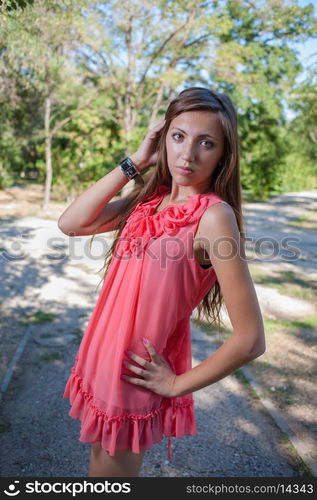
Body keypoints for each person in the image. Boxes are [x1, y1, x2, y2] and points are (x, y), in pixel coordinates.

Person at [58, 87, 265, 477]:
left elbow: (251, 338)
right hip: (103, 358)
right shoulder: (149, 200)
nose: (188, 154)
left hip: (136, 372)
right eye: (178, 136)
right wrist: (136, 160)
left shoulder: (214, 218)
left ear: (223, 154)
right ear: (163, 138)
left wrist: (176, 385)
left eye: (207, 142)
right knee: (97, 471)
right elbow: (72, 223)